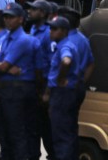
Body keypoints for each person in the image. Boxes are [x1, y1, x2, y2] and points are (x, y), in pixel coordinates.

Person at [0, 3, 37, 160]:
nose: (7, 20)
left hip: (18, 89)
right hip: (5, 88)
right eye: (6, 17)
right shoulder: (3, 37)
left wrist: (0, 67)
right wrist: (2, 68)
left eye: (11, 17)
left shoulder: (22, 39)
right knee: (5, 133)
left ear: (21, 19)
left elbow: (1, 66)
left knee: (17, 133)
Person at [45, 15, 80, 160]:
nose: (50, 32)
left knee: (61, 136)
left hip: (62, 94)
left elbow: (66, 61)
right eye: (50, 28)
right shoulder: (63, 45)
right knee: (66, 134)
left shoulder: (65, 46)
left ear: (64, 31)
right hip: (65, 94)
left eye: (54, 29)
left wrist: (60, 78)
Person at [26, 0, 55, 159]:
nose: (30, 12)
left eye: (34, 9)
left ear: (43, 13)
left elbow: (52, 65)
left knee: (46, 127)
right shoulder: (33, 30)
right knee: (32, 127)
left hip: (44, 85)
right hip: (33, 84)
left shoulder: (48, 33)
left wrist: (47, 92)